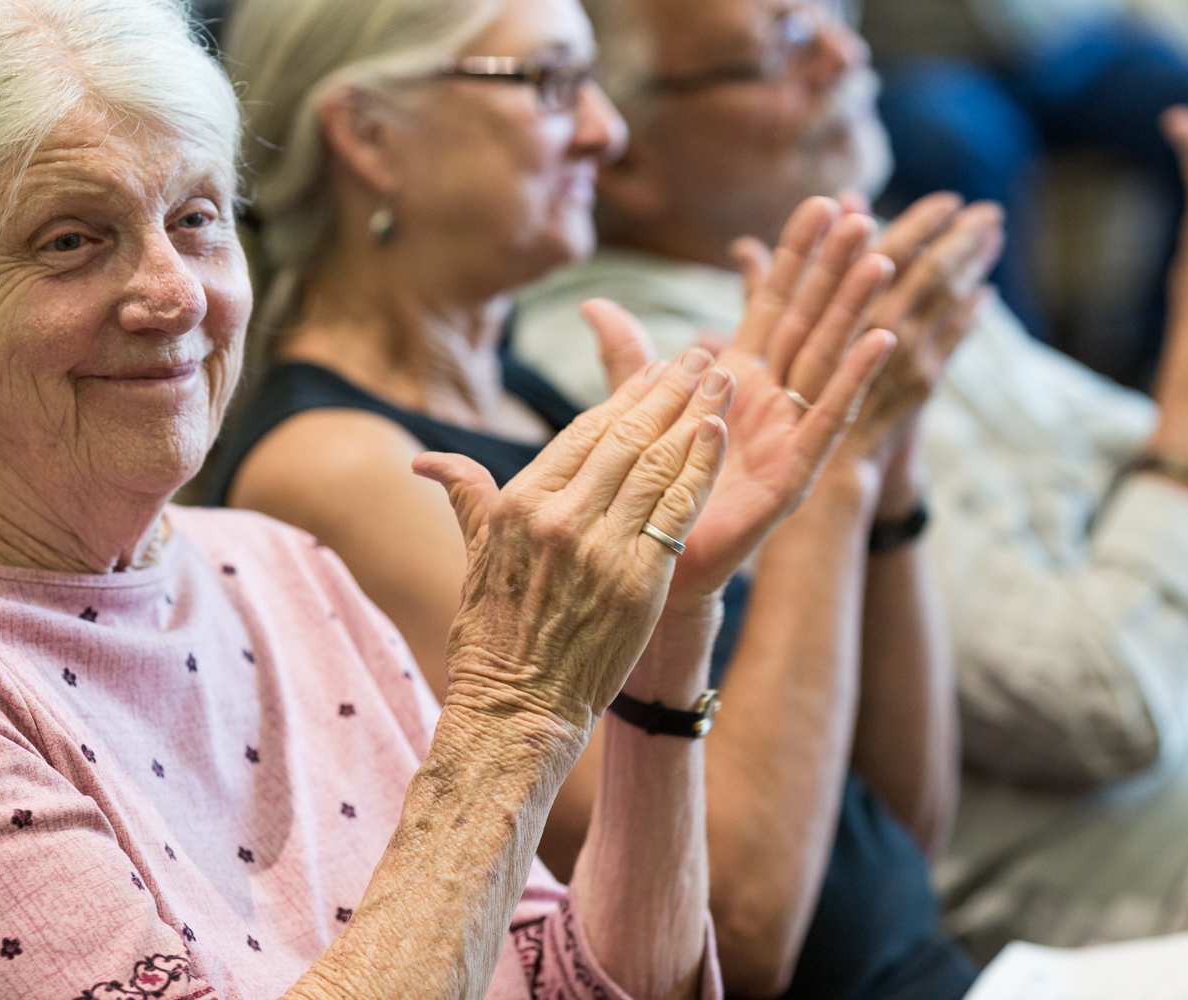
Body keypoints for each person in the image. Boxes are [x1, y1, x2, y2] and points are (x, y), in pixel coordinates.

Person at [0, 0, 875, 994]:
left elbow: (583, 984)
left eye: (196, 218)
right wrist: (511, 716)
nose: (174, 293)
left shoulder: (278, 564)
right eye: (71, 240)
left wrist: (668, 626)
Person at [207, 0, 992, 997]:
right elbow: (734, 931)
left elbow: (897, 841)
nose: (605, 130)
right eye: (549, 83)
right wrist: (827, 486)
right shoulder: (339, 469)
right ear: (369, 134)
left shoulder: (532, 394)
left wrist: (883, 465)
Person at [513, 0, 1188, 954]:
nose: (846, 52)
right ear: (622, 150)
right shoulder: (657, 367)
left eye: (835, 16)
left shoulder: (867, 249)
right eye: (781, 47)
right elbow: (1102, 693)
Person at [858, 0, 1188, 381]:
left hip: (1071, 38)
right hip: (926, 56)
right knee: (955, 148)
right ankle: (1022, 378)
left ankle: (1169, 360)